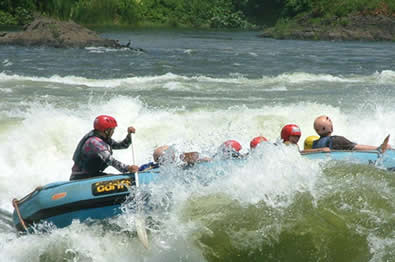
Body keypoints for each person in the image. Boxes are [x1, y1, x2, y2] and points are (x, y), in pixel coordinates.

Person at [70, 115, 139, 180]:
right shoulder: (94, 142)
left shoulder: (102, 137)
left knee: (114, 177)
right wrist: (128, 168)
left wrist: (129, 136)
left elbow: (122, 145)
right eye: (112, 130)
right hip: (81, 178)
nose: (113, 132)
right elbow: (110, 160)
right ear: (106, 131)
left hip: (93, 175)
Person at [312, 115, 391, 151]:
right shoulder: (336, 140)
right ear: (331, 128)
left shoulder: (314, 144)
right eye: (330, 122)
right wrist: (378, 148)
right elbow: (356, 147)